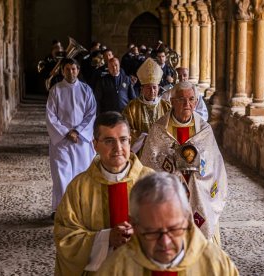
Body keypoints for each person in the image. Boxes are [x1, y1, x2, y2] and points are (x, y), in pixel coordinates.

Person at [54, 111, 154, 276]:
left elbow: (173, 229)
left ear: (130, 141)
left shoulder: (152, 182)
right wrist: (106, 239)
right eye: (109, 141)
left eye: (123, 140)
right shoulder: (79, 187)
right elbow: (65, 236)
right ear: (95, 144)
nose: (118, 148)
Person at [96, 172, 239, 275]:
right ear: (135, 225)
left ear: (187, 219)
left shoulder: (216, 266)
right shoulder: (115, 269)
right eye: (152, 231)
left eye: (174, 229)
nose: (165, 242)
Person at [140, 81, 227, 245]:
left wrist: (196, 168)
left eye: (191, 99)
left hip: (198, 196)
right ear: (172, 102)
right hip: (169, 197)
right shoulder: (159, 130)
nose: (187, 104)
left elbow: (214, 166)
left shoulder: (204, 130)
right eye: (181, 99)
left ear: (196, 102)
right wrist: (173, 170)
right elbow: (149, 165)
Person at [46, 58, 96, 217]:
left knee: (82, 175)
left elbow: (91, 114)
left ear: (78, 70)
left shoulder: (86, 90)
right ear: (62, 71)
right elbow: (51, 116)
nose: (71, 72)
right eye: (67, 69)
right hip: (62, 141)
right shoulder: (56, 90)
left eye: (73, 69)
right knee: (62, 176)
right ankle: (61, 210)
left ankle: (81, 209)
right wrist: (67, 132)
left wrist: (78, 131)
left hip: (81, 141)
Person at [122, 58, 171, 154]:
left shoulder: (166, 106)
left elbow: (172, 129)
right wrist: (143, 137)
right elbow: (125, 129)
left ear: (158, 88)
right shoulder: (132, 107)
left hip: (161, 151)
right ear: (142, 89)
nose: (152, 91)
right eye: (148, 87)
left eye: (154, 87)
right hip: (140, 152)